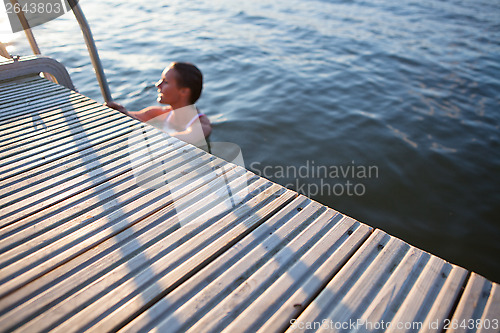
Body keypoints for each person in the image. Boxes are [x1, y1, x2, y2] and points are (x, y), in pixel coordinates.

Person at [106, 62, 211, 147]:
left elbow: (179, 140)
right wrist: (120, 112)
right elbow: (132, 116)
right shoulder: (158, 113)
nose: (158, 85)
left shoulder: (202, 125)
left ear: (184, 91)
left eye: (165, 82)